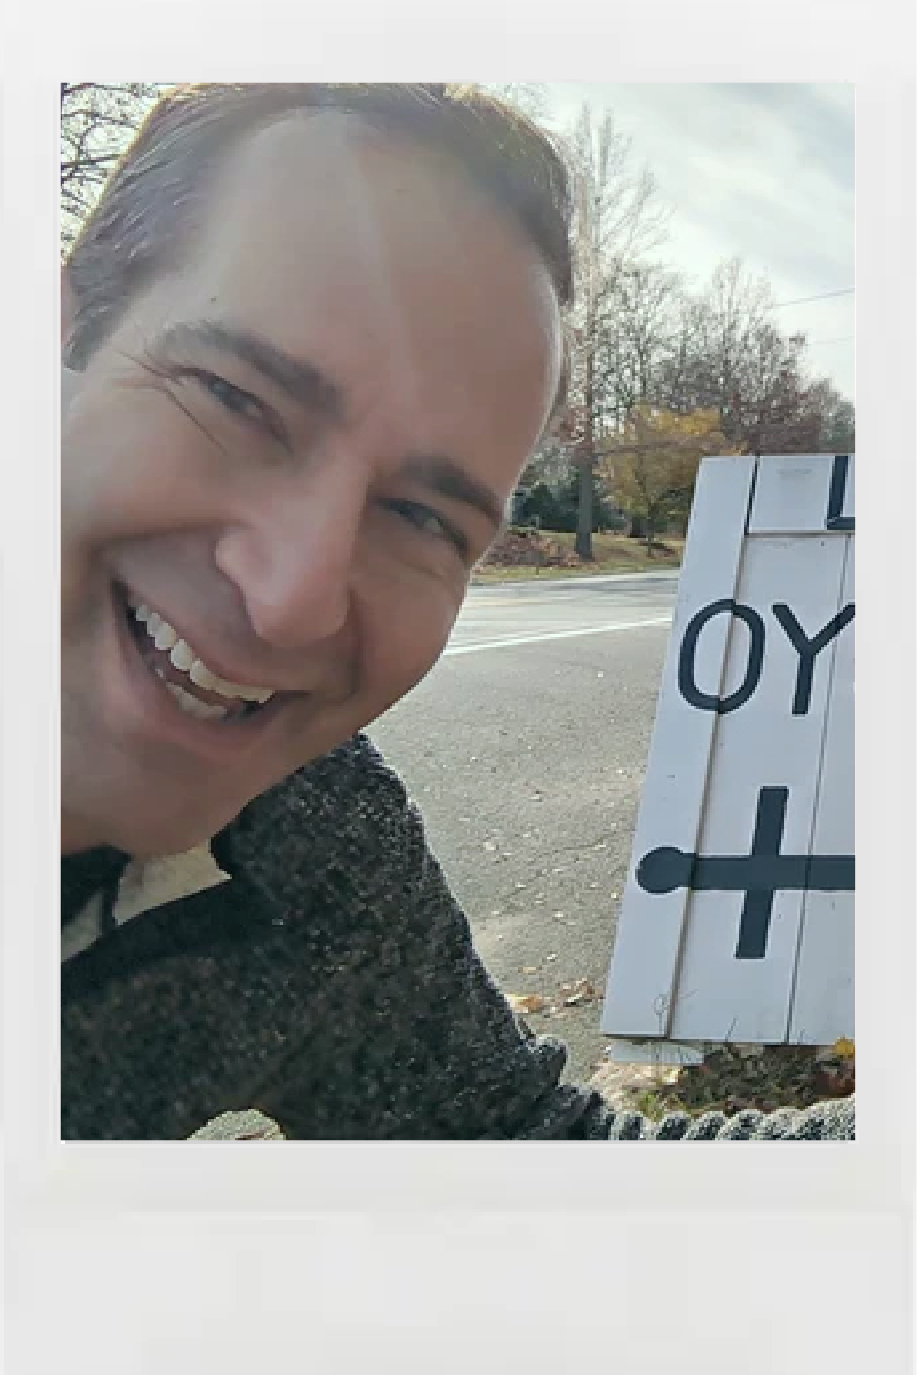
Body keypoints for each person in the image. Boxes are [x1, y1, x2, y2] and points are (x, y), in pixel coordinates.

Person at [61, 82, 853, 1140]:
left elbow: (521, 1155)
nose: (291, 599)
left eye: (421, 517)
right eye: (236, 400)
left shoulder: (302, 837)